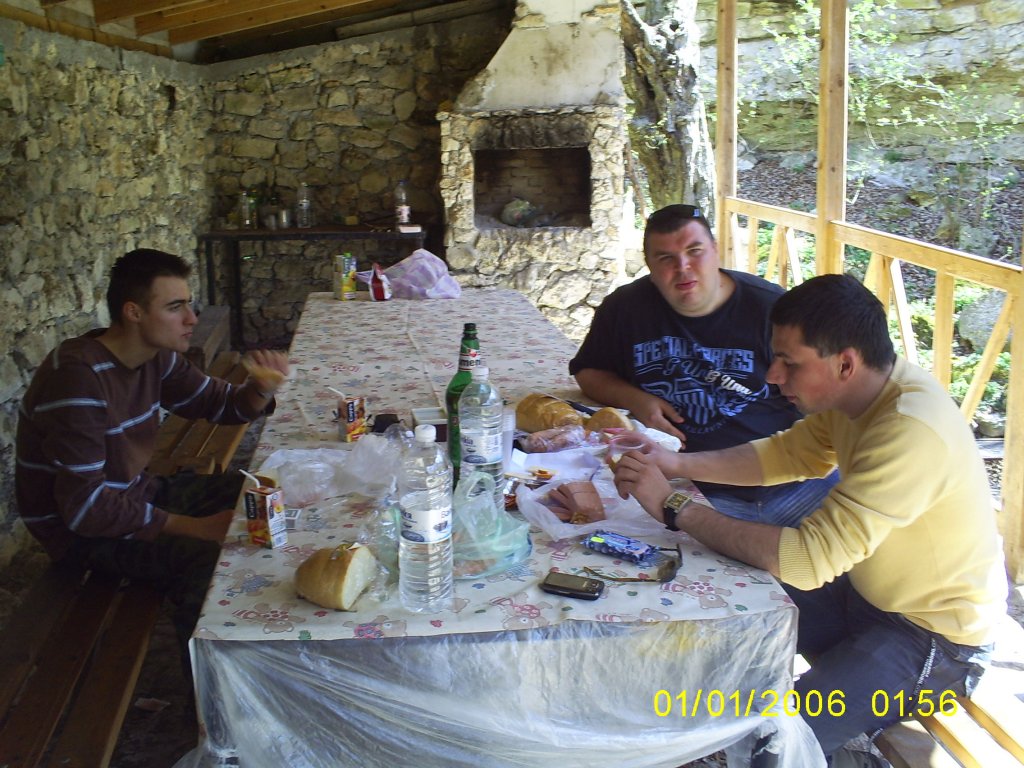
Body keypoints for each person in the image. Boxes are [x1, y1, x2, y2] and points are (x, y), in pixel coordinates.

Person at [612, 273, 1007, 761]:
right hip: (861, 595)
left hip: (934, 640)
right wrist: (675, 464)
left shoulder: (909, 429)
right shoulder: (863, 391)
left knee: (770, 742)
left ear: (845, 363)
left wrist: (675, 508)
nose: (772, 375)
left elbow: (806, 561)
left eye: (789, 363)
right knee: (716, 621)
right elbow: (786, 455)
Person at [15, 248, 289, 667]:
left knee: (255, 491)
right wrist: (194, 527)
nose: (192, 319)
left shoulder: (155, 358)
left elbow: (222, 405)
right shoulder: (77, 379)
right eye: (175, 307)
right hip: (82, 537)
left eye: (189, 305)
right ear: (134, 313)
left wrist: (262, 389)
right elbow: (85, 509)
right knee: (207, 560)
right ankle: (212, 691)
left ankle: (277, 636)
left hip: (135, 495)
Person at [570, 203, 836, 526]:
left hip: (794, 487)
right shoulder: (624, 309)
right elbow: (588, 372)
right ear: (649, 266)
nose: (683, 267)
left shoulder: (773, 309)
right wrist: (636, 399)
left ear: (715, 250)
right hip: (688, 490)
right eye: (665, 258)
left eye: (694, 251)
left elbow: (829, 400)